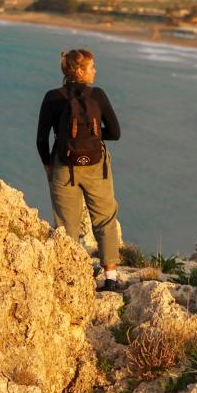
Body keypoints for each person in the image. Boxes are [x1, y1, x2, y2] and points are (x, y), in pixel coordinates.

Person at [37, 49, 122, 291]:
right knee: (105, 219)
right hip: (96, 166)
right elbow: (115, 133)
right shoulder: (98, 95)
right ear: (79, 70)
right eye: (92, 67)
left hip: (63, 166)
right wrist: (94, 136)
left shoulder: (52, 97)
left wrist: (48, 164)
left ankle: (69, 280)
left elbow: (41, 138)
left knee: (66, 225)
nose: (95, 71)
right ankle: (111, 278)